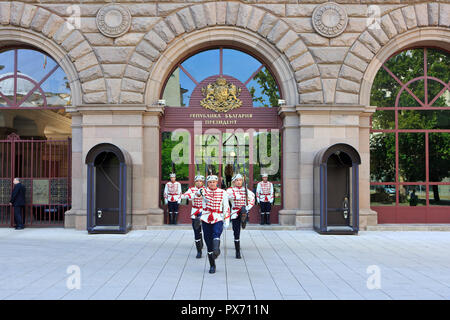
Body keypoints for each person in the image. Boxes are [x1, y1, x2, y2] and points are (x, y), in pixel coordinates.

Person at [197, 175, 230, 274]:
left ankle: (217, 250)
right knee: (208, 242)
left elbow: (226, 206)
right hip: (206, 217)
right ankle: (212, 265)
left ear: (217, 183)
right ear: (207, 183)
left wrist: (226, 219)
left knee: (216, 234)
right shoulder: (204, 191)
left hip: (217, 217)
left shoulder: (223, 192)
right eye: (210, 182)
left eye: (214, 182)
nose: (212, 184)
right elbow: (197, 194)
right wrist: (200, 192)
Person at [226, 173, 255, 259]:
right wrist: (234, 195)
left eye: (240, 180)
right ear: (233, 182)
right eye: (237, 180)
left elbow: (252, 198)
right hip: (235, 212)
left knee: (243, 215)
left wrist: (247, 207)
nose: (239, 182)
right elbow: (225, 196)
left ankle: (244, 221)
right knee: (236, 231)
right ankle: (237, 251)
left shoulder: (245, 190)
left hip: (243, 211)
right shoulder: (230, 190)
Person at [181, 175, 206, 258]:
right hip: (195, 211)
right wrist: (193, 195)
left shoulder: (206, 189)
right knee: (196, 229)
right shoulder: (191, 189)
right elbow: (184, 196)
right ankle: (199, 251)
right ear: (195, 182)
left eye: (200, 181)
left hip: (203, 210)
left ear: (202, 182)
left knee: (204, 228)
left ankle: (202, 238)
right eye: (197, 181)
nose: (199, 183)